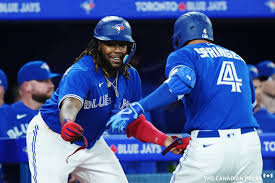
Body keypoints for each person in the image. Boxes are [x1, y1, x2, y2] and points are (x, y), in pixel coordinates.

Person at [26, 16, 189, 183]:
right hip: (53, 137)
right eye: (110, 44)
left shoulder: (131, 76)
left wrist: (166, 140)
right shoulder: (82, 70)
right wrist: (67, 122)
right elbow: (69, 104)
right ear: (97, 46)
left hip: (91, 143)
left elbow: (134, 123)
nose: (117, 50)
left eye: (122, 44)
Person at [108, 12, 263, 182]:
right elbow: (249, 105)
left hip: (210, 148)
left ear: (179, 36)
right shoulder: (238, 59)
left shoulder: (185, 54)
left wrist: (138, 107)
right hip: (249, 147)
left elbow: (180, 84)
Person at [0, 60, 59, 183]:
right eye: (43, 81)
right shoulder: (4, 114)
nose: (51, 85)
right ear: (27, 86)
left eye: (50, 81)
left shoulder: (58, 115)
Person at [247, 64, 275, 133]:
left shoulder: (271, 120)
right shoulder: (234, 120)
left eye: (260, 87)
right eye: (254, 88)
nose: (259, 92)